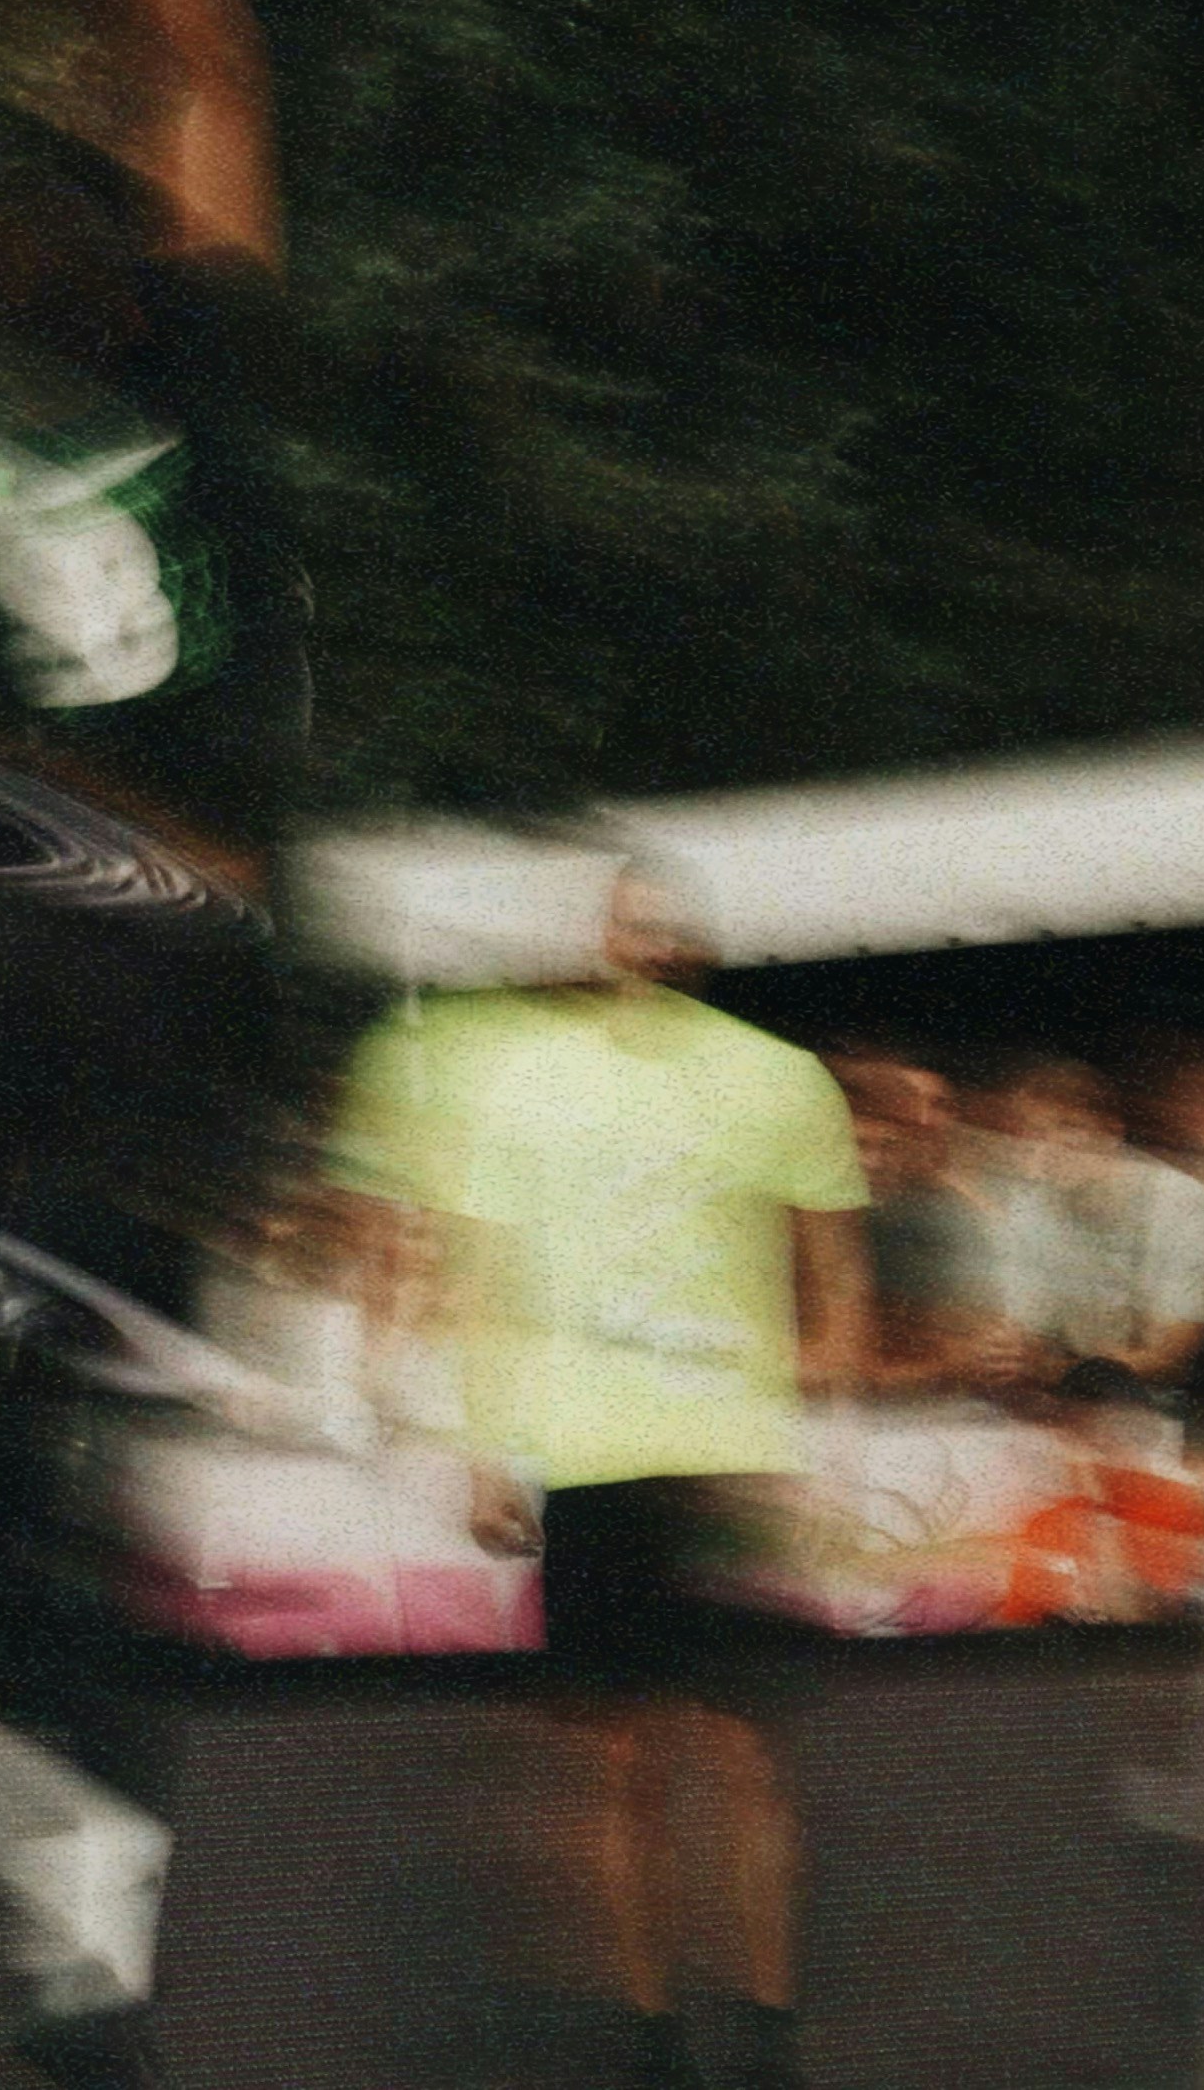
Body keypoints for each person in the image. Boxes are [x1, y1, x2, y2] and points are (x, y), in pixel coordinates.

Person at [333, 864, 871, 2090]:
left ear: (694, 941)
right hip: (588, 1455)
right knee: (617, 1759)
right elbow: (482, 1280)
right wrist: (485, 1452)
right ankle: (650, 2042)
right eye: (618, 919)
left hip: (729, 1451)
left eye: (660, 920)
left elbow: (836, 1276)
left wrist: (827, 1445)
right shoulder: (524, 1086)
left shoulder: (780, 1077)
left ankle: (769, 2029)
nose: (638, 940)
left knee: (744, 1757)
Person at [968, 1056, 1204, 1391]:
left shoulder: (1186, 1204)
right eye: (1034, 1134)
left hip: (1184, 1407)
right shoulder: (1032, 1206)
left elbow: (1169, 1360)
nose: (1049, 1148)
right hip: (1076, 1397)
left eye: (1068, 1128)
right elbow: (1027, 1333)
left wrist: (1047, 1369)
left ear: (1112, 1133)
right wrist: (1010, 1352)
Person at [828, 1051, 1011, 1392]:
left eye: (889, 1145)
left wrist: (1002, 1350)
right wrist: (949, 1363)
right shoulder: (790, 1215)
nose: (873, 1161)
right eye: (858, 1144)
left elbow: (980, 1332)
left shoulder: (939, 1214)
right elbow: (834, 1363)